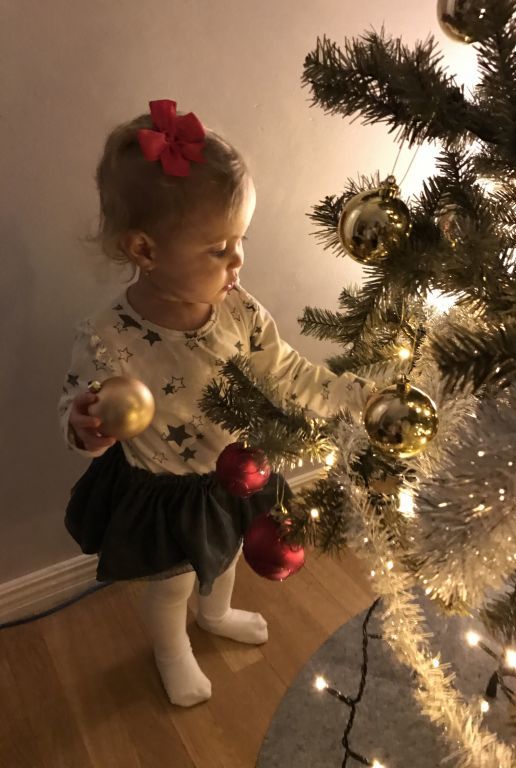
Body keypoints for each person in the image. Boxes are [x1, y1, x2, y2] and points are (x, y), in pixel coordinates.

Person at [58, 99, 375, 708]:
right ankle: (171, 648)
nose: (238, 260)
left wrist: (353, 397)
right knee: (172, 585)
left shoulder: (239, 310)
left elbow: (286, 372)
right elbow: (78, 409)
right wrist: (84, 427)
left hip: (234, 476)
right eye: (218, 248)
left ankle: (217, 614)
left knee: (226, 556)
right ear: (145, 250)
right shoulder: (108, 338)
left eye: (240, 240)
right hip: (165, 493)